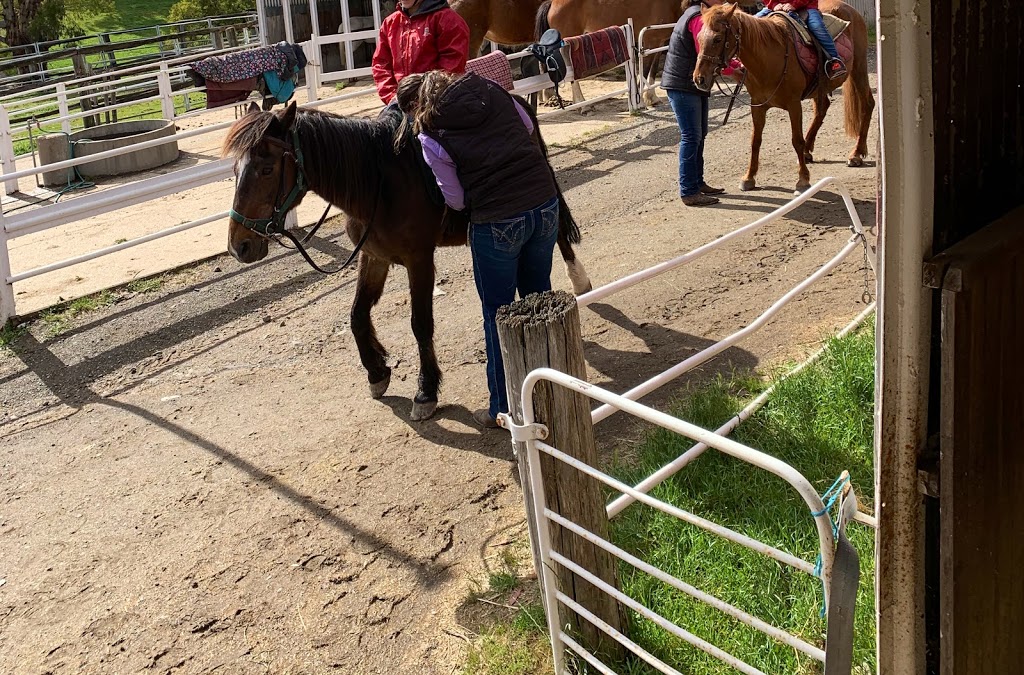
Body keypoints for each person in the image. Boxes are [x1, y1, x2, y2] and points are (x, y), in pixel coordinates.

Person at [395, 70, 559, 429]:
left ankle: (503, 406)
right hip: (545, 203)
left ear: (414, 106)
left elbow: (455, 200)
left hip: (497, 220)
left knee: (498, 314)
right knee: (539, 300)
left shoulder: (429, 133)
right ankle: (551, 389)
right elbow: (527, 130)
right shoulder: (491, 89)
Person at [661, 0, 731, 207]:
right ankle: (689, 191)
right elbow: (707, 51)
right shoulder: (698, 18)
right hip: (683, 83)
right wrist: (732, 70)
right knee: (691, 137)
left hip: (690, 83)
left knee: (699, 134)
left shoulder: (695, 14)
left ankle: (697, 183)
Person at [371, 0, 471, 106]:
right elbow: (381, 64)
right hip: (401, 102)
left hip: (437, 102)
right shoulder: (390, 23)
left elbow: (452, 63)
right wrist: (392, 97)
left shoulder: (448, 20)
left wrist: (426, 97)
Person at [756, 0, 847, 79]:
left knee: (817, 27)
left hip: (805, 7)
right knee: (752, 23)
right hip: (777, 6)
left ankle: (834, 60)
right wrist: (774, 4)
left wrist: (794, 4)